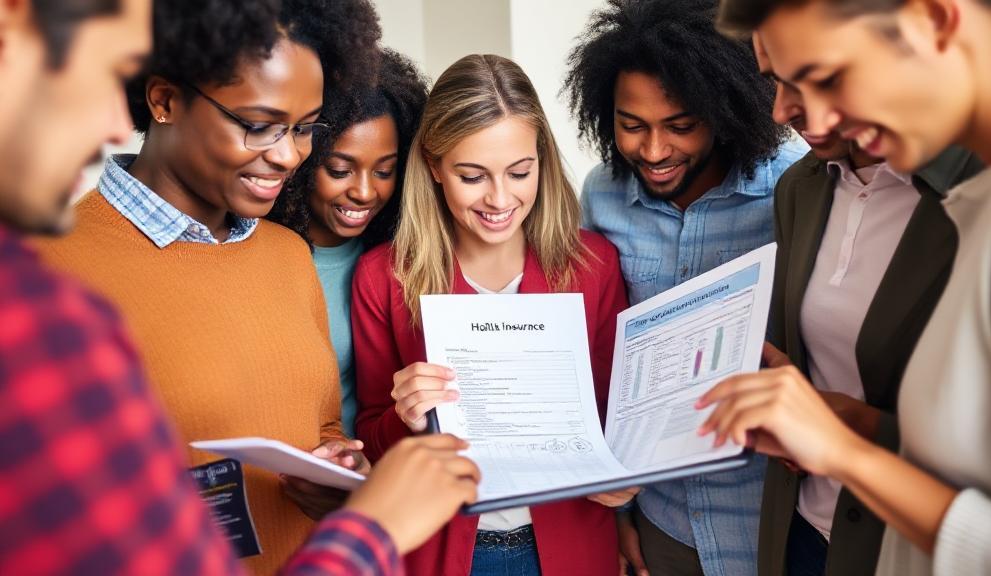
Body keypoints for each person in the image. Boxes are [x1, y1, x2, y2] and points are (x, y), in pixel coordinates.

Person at [0, 0, 479, 574]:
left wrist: (337, 470)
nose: (286, 156)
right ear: (164, 100)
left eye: (305, 130)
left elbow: (319, 422)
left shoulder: (286, 254)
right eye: (258, 125)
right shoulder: (51, 272)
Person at [703, 1, 991, 575]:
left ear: (935, 19)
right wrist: (844, 424)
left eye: (827, 77)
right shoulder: (986, 199)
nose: (812, 121)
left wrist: (847, 455)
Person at [352, 54, 628, 575]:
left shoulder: (593, 266)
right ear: (434, 166)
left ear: (541, 160)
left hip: (571, 545)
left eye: (520, 171)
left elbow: (619, 417)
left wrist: (625, 480)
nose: (500, 199)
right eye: (472, 176)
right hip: (441, 550)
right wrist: (404, 419)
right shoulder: (384, 278)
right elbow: (371, 436)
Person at [562, 1, 806, 574]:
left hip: (767, 518)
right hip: (662, 521)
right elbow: (597, 355)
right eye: (631, 126)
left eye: (680, 126)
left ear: (724, 112)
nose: (653, 151)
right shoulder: (603, 195)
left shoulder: (794, 187)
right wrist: (620, 518)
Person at [753, 33, 982, 576]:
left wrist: (857, 427)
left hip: (909, 547)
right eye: (774, 80)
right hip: (802, 530)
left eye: (809, 77)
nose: (781, 110)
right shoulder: (800, 187)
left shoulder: (985, 195)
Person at [268, 48, 429, 438]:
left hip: (376, 469)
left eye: (385, 170)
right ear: (302, 158)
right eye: (339, 170)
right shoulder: (266, 259)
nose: (364, 191)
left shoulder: (397, 263)